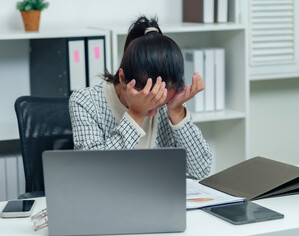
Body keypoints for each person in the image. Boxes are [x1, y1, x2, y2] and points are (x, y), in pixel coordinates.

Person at [69, 16, 212, 180]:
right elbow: (92, 173)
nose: (153, 112)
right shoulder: (85, 102)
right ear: (123, 78)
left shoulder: (169, 104)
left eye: (161, 103)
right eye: (149, 102)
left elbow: (201, 170)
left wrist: (177, 112)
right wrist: (136, 113)